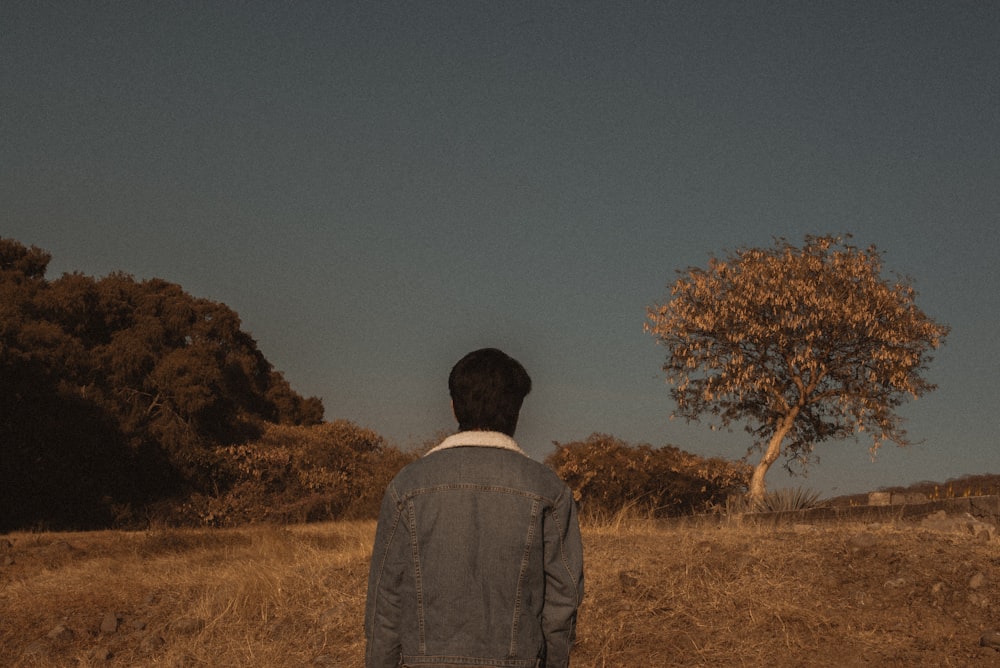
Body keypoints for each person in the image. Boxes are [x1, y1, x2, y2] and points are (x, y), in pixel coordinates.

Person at [364, 348, 585, 668]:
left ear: (454, 407)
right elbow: (562, 603)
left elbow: (384, 609)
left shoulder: (407, 486)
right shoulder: (549, 491)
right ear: (517, 410)